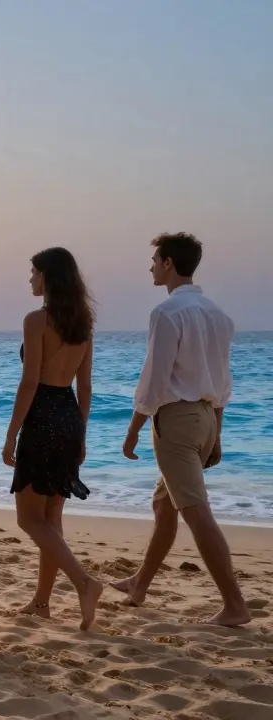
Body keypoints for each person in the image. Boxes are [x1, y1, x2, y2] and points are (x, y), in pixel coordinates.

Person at [114, 233, 249, 626]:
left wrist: (134, 428)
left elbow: (154, 380)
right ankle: (140, 583)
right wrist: (217, 433)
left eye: (155, 260)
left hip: (176, 422)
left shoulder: (167, 313)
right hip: (206, 418)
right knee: (163, 505)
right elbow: (222, 383)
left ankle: (235, 605)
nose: (152, 267)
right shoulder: (219, 316)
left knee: (196, 512)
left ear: (170, 263)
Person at [2, 247, 103, 630]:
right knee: (51, 518)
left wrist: (10, 435)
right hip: (70, 415)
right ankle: (42, 602)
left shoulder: (36, 320)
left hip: (42, 415)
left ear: (47, 276)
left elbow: (29, 383)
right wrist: (82, 433)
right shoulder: (84, 322)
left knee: (29, 519)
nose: (30, 279)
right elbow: (87, 386)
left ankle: (85, 582)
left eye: (33, 272)